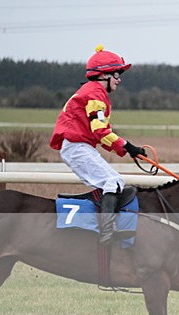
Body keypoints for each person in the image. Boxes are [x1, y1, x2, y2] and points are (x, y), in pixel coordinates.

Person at [50, 45, 146, 245]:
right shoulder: (95, 93)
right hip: (77, 147)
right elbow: (101, 132)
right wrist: (129, 146)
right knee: (113, 182)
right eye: (117, 74)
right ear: (104, 75)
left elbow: (103, 133)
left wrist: (124, 148)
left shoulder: (93, 92)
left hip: (80, 146)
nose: (119, 79)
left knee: (114, 182)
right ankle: (106, 232)